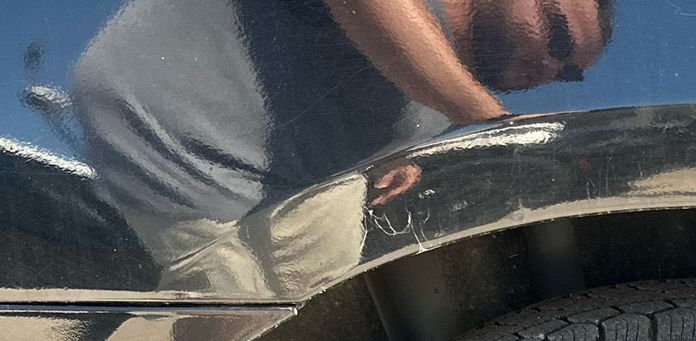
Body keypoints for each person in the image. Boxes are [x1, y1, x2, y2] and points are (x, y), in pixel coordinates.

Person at [73, 0, 612, 293]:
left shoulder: (448, 93)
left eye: (568, 74)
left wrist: (398, 160)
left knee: (334, 319)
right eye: (557, 34)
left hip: (281, 190)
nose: (550, 67)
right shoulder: (456, 85)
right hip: (167, 143)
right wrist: (496, 125)